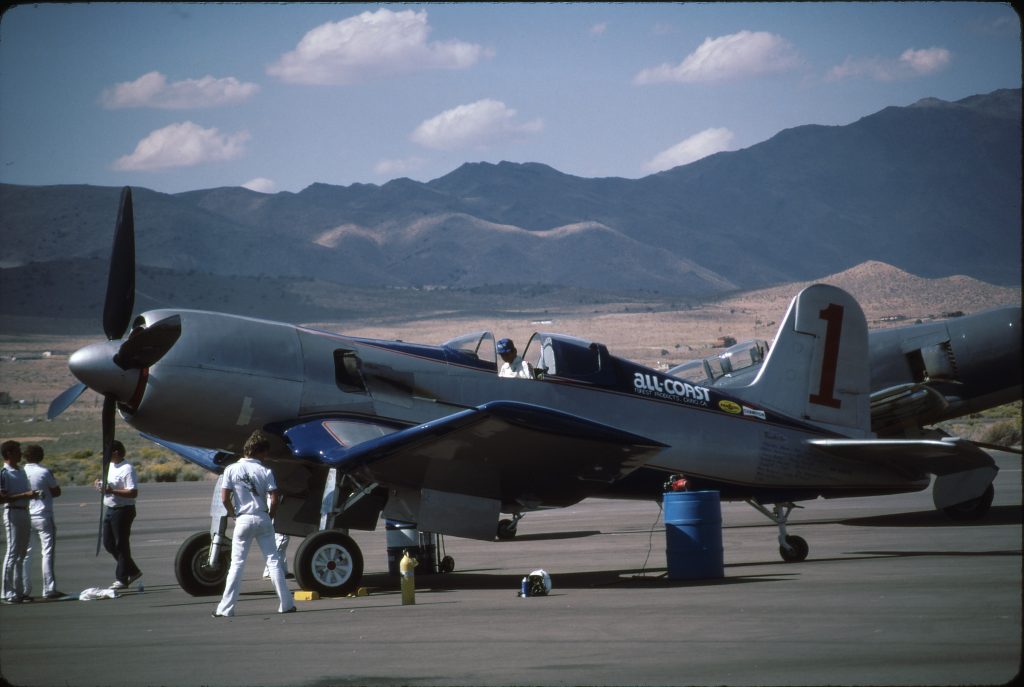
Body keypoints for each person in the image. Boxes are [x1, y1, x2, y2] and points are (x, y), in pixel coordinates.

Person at [213, 430, 296, 617]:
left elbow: (225, 497)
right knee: (273, 561)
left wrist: (234, 513)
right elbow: (274, 499)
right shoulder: (265, 471)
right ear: (261, 452)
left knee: (237, 564)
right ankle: (286, 604)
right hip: (262, 517)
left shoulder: (231, 469)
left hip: (243, 518)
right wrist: (270, 516)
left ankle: (226, 609)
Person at [95, 440, 142, 590]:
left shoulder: (127, 469)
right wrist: (99, 485)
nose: (104, 456)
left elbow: (133, 492)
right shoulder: (110, 466)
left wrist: (112, 491)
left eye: (107, 453)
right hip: (110, 508)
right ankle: (132, 570)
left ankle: (122, 579)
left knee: (121, 544)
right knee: (109, 543)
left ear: (115, 453)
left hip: (123, 510)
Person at [22, 444, 64, 599]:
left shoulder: (21, 472)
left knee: (26, 554)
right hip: (43, 515)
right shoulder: (44, 472)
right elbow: (56, 491)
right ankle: (49, 588)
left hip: (27, 515)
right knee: (47, 552)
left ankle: (25, 589)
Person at [2, 440, 40, 604]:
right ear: (9, 453)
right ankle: (6, 591)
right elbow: (2, 498)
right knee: (12, 552)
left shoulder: (20, 471)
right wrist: (25, 496)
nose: (20, 454)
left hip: (24, 511)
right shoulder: (4, 473)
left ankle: (18, 591)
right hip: (13, 513)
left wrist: (30, 495)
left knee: (21, 554)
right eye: (17, 451)